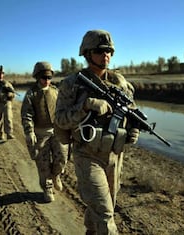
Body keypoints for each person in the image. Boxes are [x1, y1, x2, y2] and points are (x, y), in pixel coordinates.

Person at [54, 29, 140, 234]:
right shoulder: (71, 84)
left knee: (101, 210)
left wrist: (134, 128)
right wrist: (85, 106)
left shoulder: (121, 83)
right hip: (87, 155)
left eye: (110, 51)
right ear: (87, 53)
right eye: (101, 51)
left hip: (114, 157)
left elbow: (133, 111)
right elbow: (60, 120)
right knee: (104, 213)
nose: (106, 55)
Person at [21, 61, 68, 202]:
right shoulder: (31, 94)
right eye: (44, 78)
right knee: (43, 163)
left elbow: (63, 110)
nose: (46, 81)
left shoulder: (55, 91)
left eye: (49, 78)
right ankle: (47, 187)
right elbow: (26, 115)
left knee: (62, 158)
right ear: (37, 77)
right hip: (40, 133)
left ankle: (56, 175)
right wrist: (29, 132)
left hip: (58, 131)